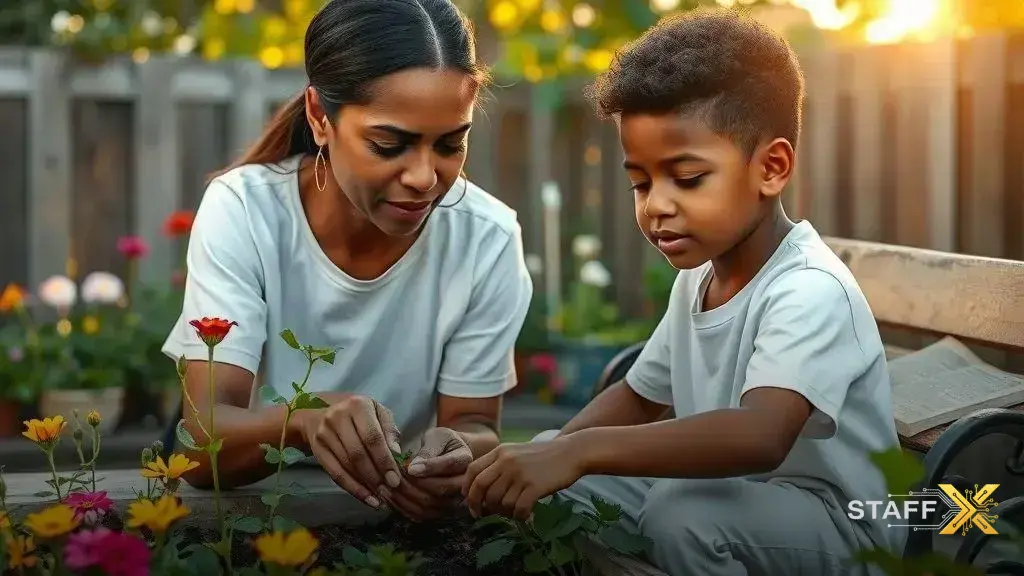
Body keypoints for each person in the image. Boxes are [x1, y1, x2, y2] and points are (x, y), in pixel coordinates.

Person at [462, 8, 904, 574]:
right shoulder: (698, 277)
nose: (657, 206)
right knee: (556, 472)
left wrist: (579, 451)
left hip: (844, 526)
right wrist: (549, 455)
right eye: (640, 182)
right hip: (734, 500)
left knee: (682, 513)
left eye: (688, 178)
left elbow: (761, 436)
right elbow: (639, 396)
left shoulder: (808, 289)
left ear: (771, 168)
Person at [162, 0, 533, 523]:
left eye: (451, 144)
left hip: (390, 518)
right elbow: (200, 444)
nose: (424, 178)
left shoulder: (486, 238)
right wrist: (304, 421)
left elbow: (475, 423)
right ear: (320, 116)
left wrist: (458, 454)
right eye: (388, 145)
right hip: (254, 511)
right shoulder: (245, 210)